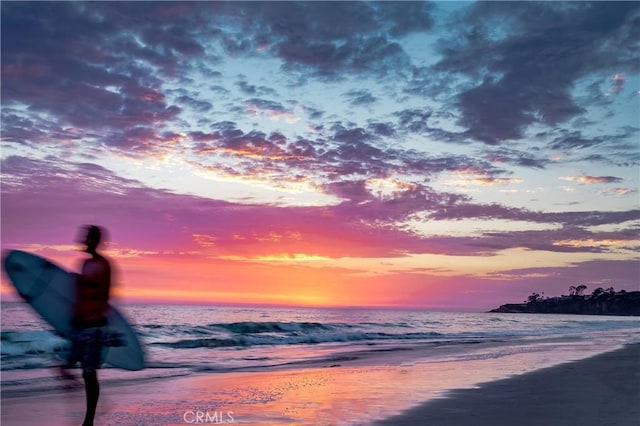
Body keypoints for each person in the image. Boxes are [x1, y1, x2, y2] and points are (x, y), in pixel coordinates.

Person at [64, 225, 112, 426]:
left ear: (96, 240)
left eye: (88, 237)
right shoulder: (84, 264)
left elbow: (104, 295)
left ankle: (89, 420)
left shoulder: (103, 265)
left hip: (94, 325)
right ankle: (89, 414)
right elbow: (78, 294)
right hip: (80, 324)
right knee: (66, 366)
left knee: (89, 373)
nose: (84, 240)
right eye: (84, 237)